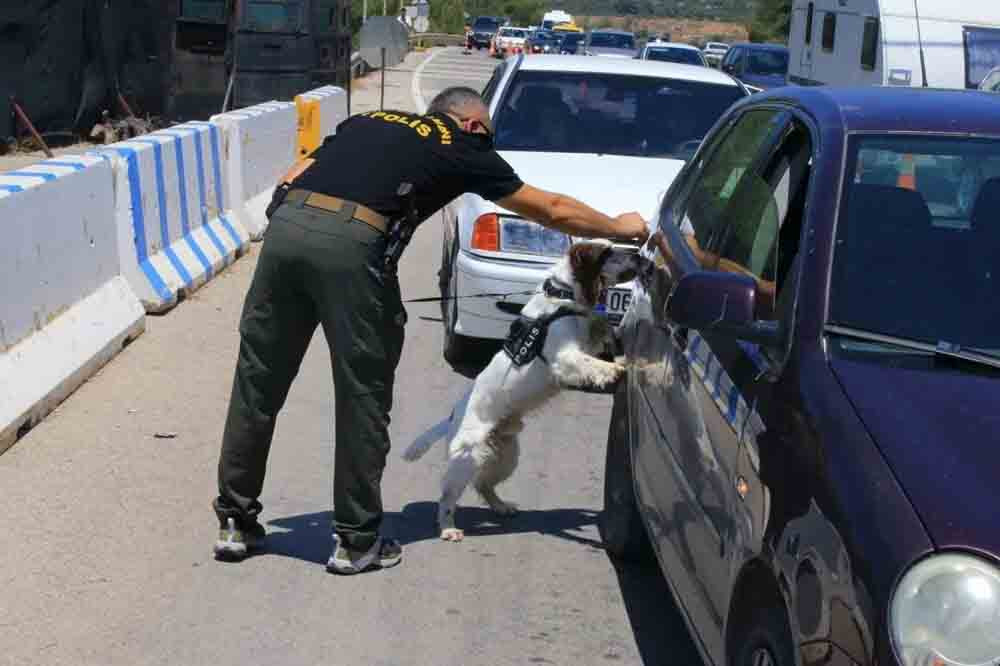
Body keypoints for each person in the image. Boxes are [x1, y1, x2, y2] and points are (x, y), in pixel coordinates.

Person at [211, 86, 648, 574]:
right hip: (355, 244)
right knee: (362, 395)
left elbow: (294, 173)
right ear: (475, 125)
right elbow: (553, 210)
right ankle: (356, 540)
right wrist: (618, 228)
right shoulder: (464, 147)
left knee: (258, 382)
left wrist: (295, 228)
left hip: (286, 231)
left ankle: (235, 522)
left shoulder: (370, 120)